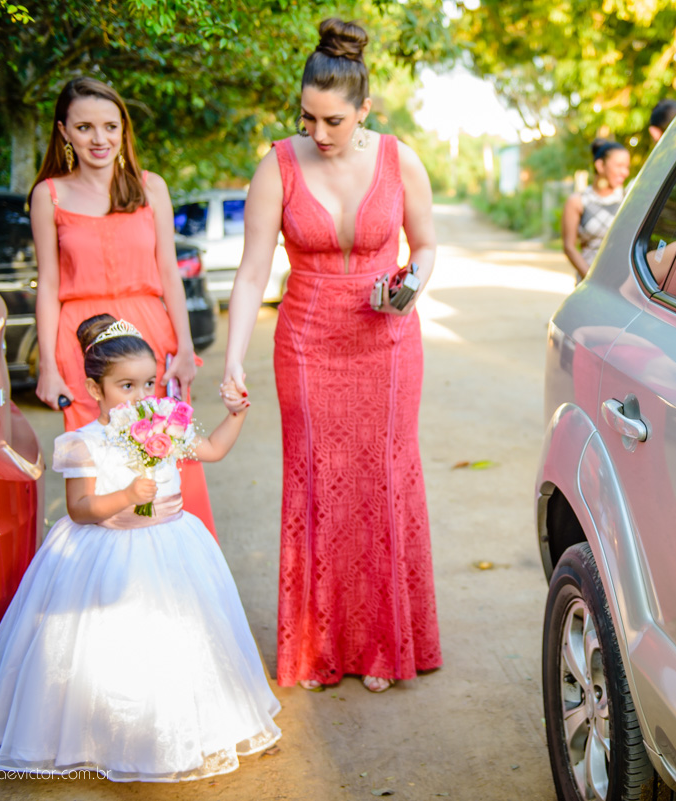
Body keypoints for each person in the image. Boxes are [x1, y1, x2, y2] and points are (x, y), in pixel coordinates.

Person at [0, 315, 280, 782]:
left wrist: (237, 414)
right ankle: (104, 735)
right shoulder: (84, 443)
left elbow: (209, 449)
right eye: (126, 386)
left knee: (176, 641)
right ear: (95, 389)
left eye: (149, 383)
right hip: (106, 552)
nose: (141, 396)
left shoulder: (164, 422)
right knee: (106, 651)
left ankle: (172, 729)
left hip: (171, 547)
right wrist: (126, 496)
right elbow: (80, 508)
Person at [223, 18, 440, 694]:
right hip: (308, 341)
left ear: (364, 110)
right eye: (308, 118)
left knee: (381, 476)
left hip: (388, 339)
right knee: (316, 482)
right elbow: (254, 269)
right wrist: (233, 358)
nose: (318, 133)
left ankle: (382, 643)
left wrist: (411, 286)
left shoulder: (400, 159)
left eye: (334, 121)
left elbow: (426, 245)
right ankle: (318, 646)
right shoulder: (278, 163)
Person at [28, 77, 217, 535]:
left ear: (123, 130)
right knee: (99, 468)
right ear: (64, 132)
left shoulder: (151, 188)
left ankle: (172, 580)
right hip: (83, 344)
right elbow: (48, 284)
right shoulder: (49, 195)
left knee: (167, 455)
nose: (100, 139)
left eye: (110, 126)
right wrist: (49, 367)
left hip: (151, 337)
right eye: (85, 127)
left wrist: (187, 348)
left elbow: (170, 273)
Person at [561, 138, 630, 281]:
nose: (625, 172)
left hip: (622, 282)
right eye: (619, 166)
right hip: (589, 280)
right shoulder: (578, 201)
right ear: (600, 165)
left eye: (627, 167)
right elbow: (569, 247)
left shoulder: (628, 198)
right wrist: (592, 281)